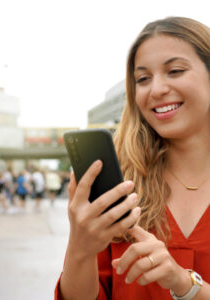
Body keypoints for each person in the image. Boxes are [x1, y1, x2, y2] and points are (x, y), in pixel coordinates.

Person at [55, 17, 210, 300]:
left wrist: (185, 285)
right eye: (142, 79)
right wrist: (80, 245)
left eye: (175, 71)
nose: (156, 90)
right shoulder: (118, 187)